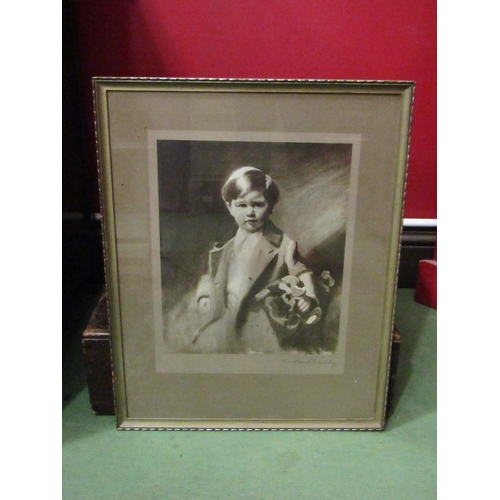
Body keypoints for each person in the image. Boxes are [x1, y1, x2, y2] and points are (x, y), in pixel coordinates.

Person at [190, 167, 319, 354]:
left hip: (260, 326)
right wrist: (204, 295)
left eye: (257, 205)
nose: (250, 212)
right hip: (225, 321)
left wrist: (309, 297)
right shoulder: (223, 248)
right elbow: (211, 276)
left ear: (271, 206)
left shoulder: (284, 245)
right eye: (242, 205)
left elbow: (300, 272)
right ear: (230, 207)